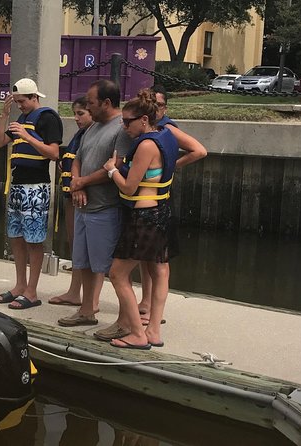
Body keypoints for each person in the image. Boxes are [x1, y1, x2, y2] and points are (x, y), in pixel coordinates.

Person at [101, 88, 181, 349]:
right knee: (161, 271)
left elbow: (128, 187)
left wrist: (113, 170)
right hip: (162, 212)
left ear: (144, 120)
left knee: (117, 274)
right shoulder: (166, 136)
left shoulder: (146, 145)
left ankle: (136, 333)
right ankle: (153, 331)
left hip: (143, 216)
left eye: (128, 122)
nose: (124, 128)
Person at [57, 79, 132, 329]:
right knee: (84, 262)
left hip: (105, 208)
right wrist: (77, 182)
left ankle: (125, 320)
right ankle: (86, 310)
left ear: (106, 103)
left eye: (91, 103)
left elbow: (115, 167)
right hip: (84, 207)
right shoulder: (92, 128)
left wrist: (81, 183)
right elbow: (78, 158)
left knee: (114, 270)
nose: (88, 108)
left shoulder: (121, 129)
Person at [136, 85, 207, 325]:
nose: (155, 108)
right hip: (145, 197)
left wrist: (173, 165)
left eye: (158, 105)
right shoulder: (146, 129)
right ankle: (146, 302)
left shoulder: (166, 129)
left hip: (158, 197)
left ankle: (153, 311)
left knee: (158, 259)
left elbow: (199, 151)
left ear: (164, 108)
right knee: (146, 256)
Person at [0, 78, 63, 310]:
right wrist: (4, 115)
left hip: (36, 187)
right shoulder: (21, 119)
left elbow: (53, 153)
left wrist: (27, 136)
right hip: (17, 185)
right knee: (16, 236)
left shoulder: (47, 118)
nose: (20, 106)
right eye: (17, 102)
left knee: (34, 240)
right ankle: (19, 285)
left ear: (34, 97)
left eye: (22, 101)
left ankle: (31, 291)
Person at [49, 96, 93, 309]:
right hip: (71, 196)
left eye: (81, 113)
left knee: (91, 251)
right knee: (75, 246)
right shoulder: (80, 135)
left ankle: (91, 299)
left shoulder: (94, 135)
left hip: (86, 198)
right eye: (75, 113)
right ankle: (75, 291)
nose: (76, 118)